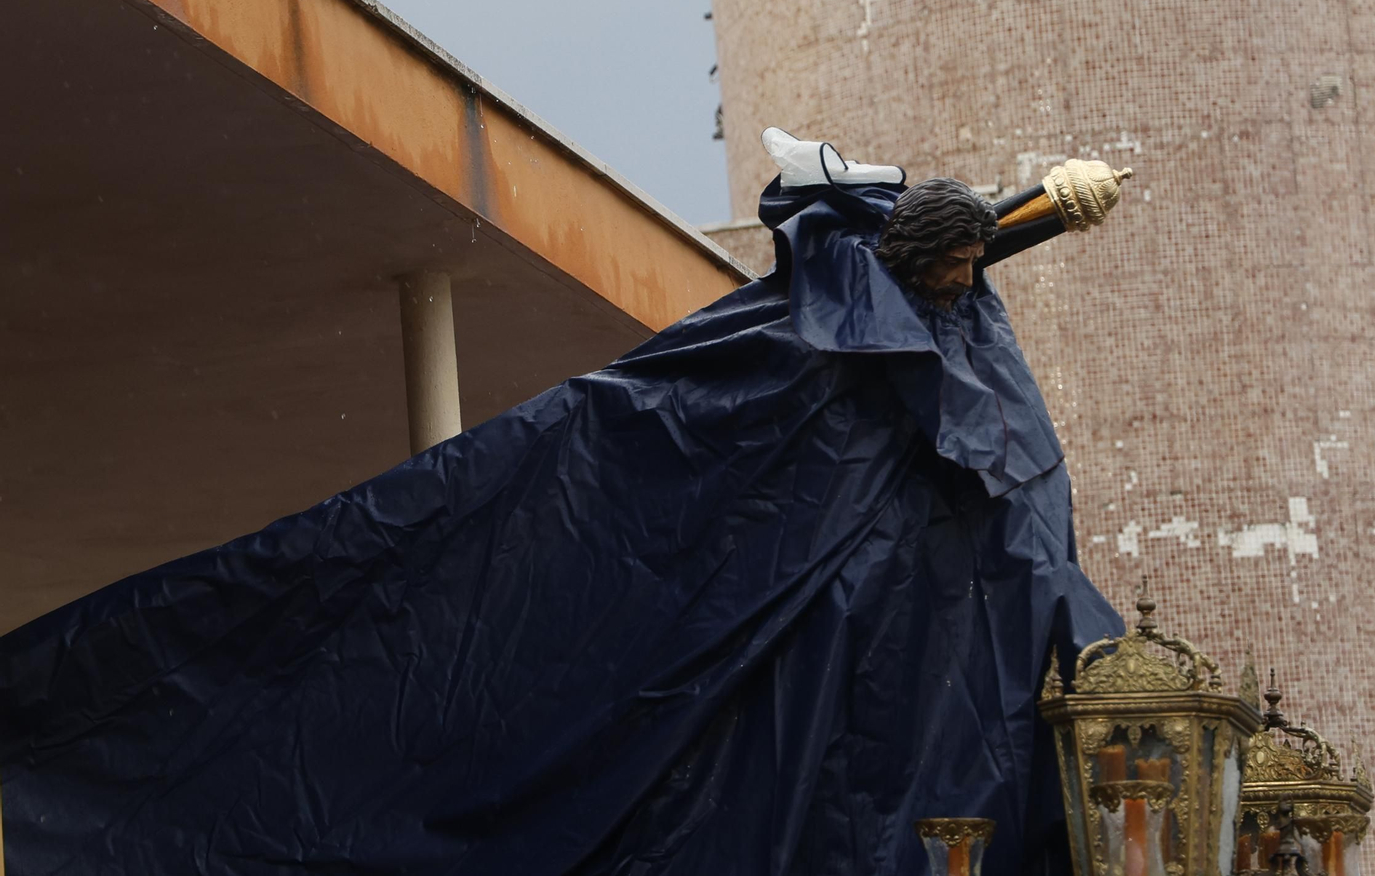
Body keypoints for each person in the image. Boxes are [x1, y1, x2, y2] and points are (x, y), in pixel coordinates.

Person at [0, 129, 1128, 875]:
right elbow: (663, 425)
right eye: (945, 272)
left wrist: (1043, 214)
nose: (956, 289)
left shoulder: (917, 344)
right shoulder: (789, 339)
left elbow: (959, 290)